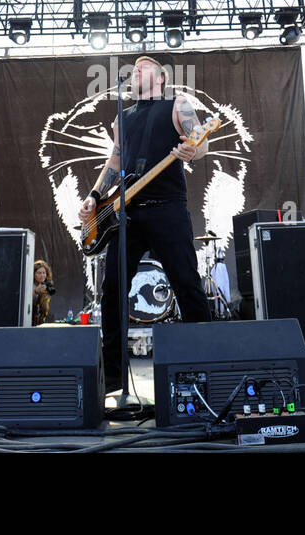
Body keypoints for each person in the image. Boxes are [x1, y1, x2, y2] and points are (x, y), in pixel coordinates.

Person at [78, 55, 211, 393]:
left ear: (161, 77)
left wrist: (191, 152)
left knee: (187, 285)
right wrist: (95, 195)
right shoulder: (123, 117)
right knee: (112, 291)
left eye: (144, 66)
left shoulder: (177, 104)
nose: (136, 70)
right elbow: (116, 159)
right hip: (127, 213)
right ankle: (112, 379)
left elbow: (202, 140)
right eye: (134, 68)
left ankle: (207, 366)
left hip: (167, 208)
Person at [32, 260, 56, 326]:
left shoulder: (46, 285)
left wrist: (45, 297)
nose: (42, 275)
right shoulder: (30, 284)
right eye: (39, 273)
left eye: (44, 273)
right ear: (33, 274)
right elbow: (27, 303)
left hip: (39, 319)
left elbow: (44, 309)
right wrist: (36, 291)